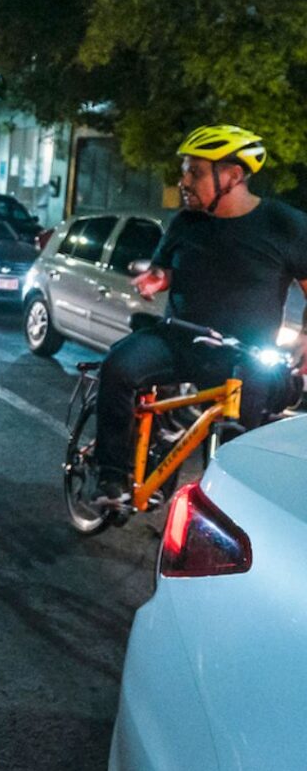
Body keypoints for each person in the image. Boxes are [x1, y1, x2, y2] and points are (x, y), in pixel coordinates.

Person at [93, 124, 307, 502]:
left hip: (247, 356)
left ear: (233, 175)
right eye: (185, 171)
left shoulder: (285, 224)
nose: (184, 181)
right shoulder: (185, 222)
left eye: (195, 171)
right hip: (177, 340)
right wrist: (154, 280)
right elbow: (164, 271)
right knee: (117, 368)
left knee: (242, 447)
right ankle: (111, 474)